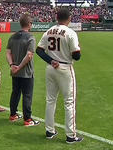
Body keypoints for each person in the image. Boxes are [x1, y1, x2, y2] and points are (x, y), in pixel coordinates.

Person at [36, 8, 83, 144]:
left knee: (50, 100)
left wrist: (51, 60)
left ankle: (50, 131)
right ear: (69, 19)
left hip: (51, 67)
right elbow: (77, 56)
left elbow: (39, 50)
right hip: (64, 68)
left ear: (57, 18)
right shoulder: (70, 32)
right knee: (69, 102)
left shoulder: (49, 31)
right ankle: (70, 135)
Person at [6, 14, 39, 127]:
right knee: (27, 95)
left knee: (15, 93)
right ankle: (27, 119)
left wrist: (12, 65)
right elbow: (29, 55)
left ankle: (13, 115)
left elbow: (8, 53)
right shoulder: (30, 37)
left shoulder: (13, 36)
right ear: (29, 24)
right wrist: (19, 67)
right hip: (26, 71)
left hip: (14, 71)